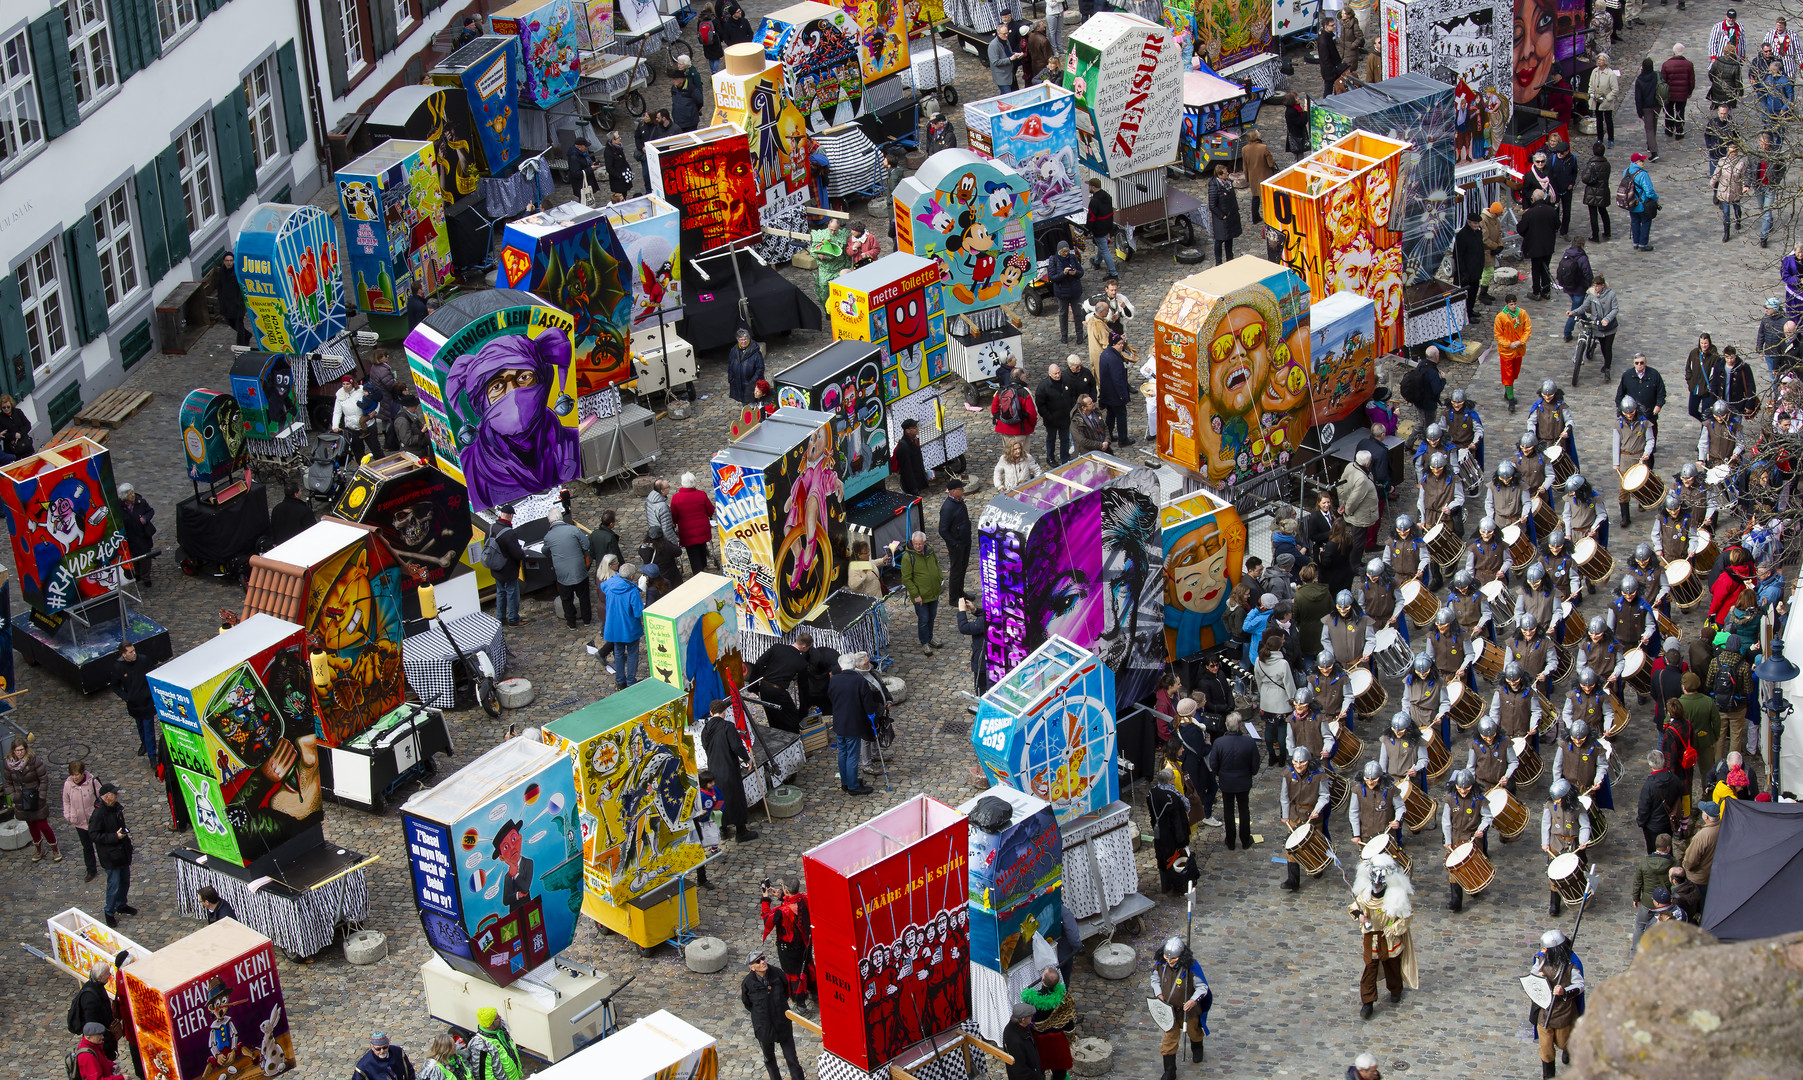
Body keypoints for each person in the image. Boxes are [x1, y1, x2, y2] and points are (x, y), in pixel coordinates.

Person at [1349, 853, 1416, 1020]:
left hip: (1388, 937)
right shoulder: (1365, 894)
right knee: (1370, 969)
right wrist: (1360, 916)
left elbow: (1406, 916)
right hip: (1371, 936)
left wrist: (1393, 929)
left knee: (1392, 964)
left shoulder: (1396, 896)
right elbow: (1354, 907)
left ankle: (1395, 989)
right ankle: (1368, 1002)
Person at [1150, 937, 1209, 1077]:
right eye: (1166, 957)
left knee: (1193, 1031)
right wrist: (1159, 994)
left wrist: (1193, 1000)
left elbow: (1202, 987)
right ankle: (1170, 1071)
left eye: (1174, 958)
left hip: (1188, 1011)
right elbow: (1155, 980)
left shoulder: (1191, 968)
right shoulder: (1160, 965)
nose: (1170, 961)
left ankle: (1197, 1046)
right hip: (1169, 1010)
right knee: (1170, 1038)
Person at [1529, 928, 1584, 1076]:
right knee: (1545, 1050)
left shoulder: (1571, 964)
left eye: (1546, 948)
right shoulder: (1540, 959)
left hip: (1562, 1012)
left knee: (1563, 1042)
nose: (1542, 950)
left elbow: (1579, 986)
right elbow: (1533, 974)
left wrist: (1564, 991)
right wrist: (1537, 977)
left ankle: (1568, 1049)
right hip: (1544, 1012)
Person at [701, 699, 756, 842]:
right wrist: (747, 759)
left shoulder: (705, 729)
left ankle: (723, 829)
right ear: (724, 711)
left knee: (719, 799)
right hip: (729, 768)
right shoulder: (727, 727)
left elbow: (706, 747)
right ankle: (741, 831)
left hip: (714, 769)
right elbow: (737, 747)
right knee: (735, 799)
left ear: (711, 713)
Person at [742, 953, 804, 1080]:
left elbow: (786, 992)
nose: (762, 962)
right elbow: (747, 1003)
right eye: (757, 961)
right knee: (769, 1059)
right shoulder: (748, 983)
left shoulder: (777, 973)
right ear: (752, 967)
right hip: (764, 1027)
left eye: (763, 958)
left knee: (792, 1059)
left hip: (782, 1024)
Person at [759, 878, 815, 1009]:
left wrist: (765, 899)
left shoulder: (781, 911)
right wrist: (781, 896)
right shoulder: (805, 899)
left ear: (786, 890)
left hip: (789, 950)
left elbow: (767, 919)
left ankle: (800, 1004)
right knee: (808, 966)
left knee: (794, 975)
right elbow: (796, 903)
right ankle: (815, 993)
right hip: (806, 943)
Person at [1206, 713, 1259, 850]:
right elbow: (1255, 764)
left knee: (1228, 811)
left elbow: (1214, 764)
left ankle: (1230, 841)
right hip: (1243, 781)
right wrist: (1250, 773)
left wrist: (1220, 774)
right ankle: (1245, 839)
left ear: (1226, 725)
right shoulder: (1249, 742)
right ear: (1240, 726)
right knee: (1244, 810)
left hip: (1227, 781)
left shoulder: (1219, 743)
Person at [829, 654, 879, 795]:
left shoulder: (834, 679)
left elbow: (831, 697)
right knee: (852, 755)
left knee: (843, 753)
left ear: (841, 666)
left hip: (839, 721)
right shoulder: (859, 681)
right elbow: (868, 705)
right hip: (853, 723)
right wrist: (872, 721)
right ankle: (853, 785)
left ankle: (845, 782)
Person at [5, 738, 59, 863]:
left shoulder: (34, 761)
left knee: (43, 826)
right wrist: (13, 796)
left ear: (25, 749)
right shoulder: (9, 765)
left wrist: (41, 796)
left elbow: (43, 779)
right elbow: (8, 783)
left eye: (22, 750)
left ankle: (54, 849)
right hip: (21, 801)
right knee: (32, 826)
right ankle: (39, 849)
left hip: (35, 798)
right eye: (17, 750)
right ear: (13, 751)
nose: (20, 752)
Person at [1147, 768, 1198, 894]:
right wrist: (1183, 840)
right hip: (1172, 835)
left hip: (1159, 831)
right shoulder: (1173, 798)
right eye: (1173, 778)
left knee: (1162, 858)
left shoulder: (1152, 793)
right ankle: (1177, 887)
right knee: (1174, 858)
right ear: (1170, 781)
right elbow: (1178, 821)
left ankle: (1165, 885)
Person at [90, 785, 133, 928]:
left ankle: (121, 905)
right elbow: (94, 835)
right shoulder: (98, 814)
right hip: (110, 856)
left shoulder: (116, 808)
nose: (117, 795)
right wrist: (115, 837)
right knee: (113, 885)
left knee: (125, 881)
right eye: (114, 793)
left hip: (122, 852)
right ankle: (109, 912)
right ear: (107, 796)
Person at [110, 642, 158, 762]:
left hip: (147, 703)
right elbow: (115, 686)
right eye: (130, 652)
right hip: (134, 704)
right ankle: (144, 744)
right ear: (124, 654)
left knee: (149, 730)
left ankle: (152, 756)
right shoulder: (118, 667)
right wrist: (126, 697)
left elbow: (154, 675)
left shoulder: (143, 660)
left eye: (134, 650)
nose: (134, 653)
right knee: (140, 726)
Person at [600, 562, 645, 688]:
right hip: (629, 628)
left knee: (618, 652)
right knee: (632, 654)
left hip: (614, 626)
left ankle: (620, 680)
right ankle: (631, 681)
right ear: (631, 577)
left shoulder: (610, 585)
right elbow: (637, 613)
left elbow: (603, 588)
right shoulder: (632, 591)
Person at [543, 516, 592, 629]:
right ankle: (587, 620)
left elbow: (544, 551)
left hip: (562, 574)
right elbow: (586, 545)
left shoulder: (549, 536)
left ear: (550, 521)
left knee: (566, 599)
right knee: (584, 596)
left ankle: (571, 622)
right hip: (579, 570)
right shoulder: (574, 530)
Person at [899, 531, 944, 654]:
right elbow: (906, 579)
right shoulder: (908, 557)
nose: (918, 546)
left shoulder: (930, 551)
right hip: (921, 597)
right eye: (915, 544)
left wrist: (939, 578)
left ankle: (930, 637)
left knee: (932, 617)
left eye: (920, 544)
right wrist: (916, 595)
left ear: (925, 542)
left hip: (933, 593)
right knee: (924, 619)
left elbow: (936, 565)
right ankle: (925, 642)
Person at [1491, 294, 1533, 410]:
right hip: (1506, 352)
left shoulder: (1522, 314)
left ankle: (1507, 390)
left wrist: (1520, 342)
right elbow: (1498, 335)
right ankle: (1511, 399)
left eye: (1515, 304)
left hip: (1519, 350)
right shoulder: (1500, 317)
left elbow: (1527, 329)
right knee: (1508, 374)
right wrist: (1509, 344)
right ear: (1506, 304)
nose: (1514, 306)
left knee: (1515, 373)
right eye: (1511, 304)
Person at [1518, 191, 1561, 300]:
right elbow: (1557, 225)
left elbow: (1521, 229)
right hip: (1548, 245)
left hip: (1534, 245)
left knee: (1536, 269)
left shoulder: (1529, 213)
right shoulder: (1551, 211)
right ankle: (1546, 290)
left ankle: (1536, 291)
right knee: (1545, 267)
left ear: (1534, 199)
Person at [62, 760, 101, 882]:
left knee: (100, 843)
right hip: (79, 821)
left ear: (82, 773)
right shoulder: (68, 785)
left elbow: (102, 797)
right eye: (73, 775)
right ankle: (91, 870)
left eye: (77, 775)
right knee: (87, 847)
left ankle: (107, 864)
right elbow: (66, 800)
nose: (75, 777)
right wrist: (68, 815)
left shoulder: (92, 782)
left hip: (93, 820)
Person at [1576, 276, 1620, 375]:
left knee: (1608, 348)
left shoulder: (1611, 294)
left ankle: (1607, 367)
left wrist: (1607, 319)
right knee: (1603, 347)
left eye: (1597, 286)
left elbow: (1615, 309)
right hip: (1597, 326)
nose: (1595, 288)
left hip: (1609, 327)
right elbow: (1584, 307)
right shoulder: (1592, 295)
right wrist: (1573, 312)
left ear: (1603, 286)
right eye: (1594, 286)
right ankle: (1606, 364)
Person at [1046, 240, 1085, 344]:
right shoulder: (1053, 260)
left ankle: (1079, 336)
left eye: (1067, 251)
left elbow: (1081, 272)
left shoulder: (1073, 258)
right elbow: (1052, 277)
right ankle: (1064, 336)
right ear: (1059, 251)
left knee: (1078, 314)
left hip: (1075, 291)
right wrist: (1063, 274)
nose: (1066, 253)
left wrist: (1075, 272)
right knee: (1063, 314)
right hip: (1062, 292)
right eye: (1064, 252)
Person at [939, 478, 972, 603]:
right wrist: (954, 543)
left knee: (963, 568)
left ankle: (960, 592)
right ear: (952, 491)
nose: (963, 490)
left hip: (965, 541)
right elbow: (942, 530)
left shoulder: (959, 502)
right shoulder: (948, 507)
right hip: (957, 544)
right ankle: (953, 598)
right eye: (960, 489)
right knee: (956, 570)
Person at [1556, 236, 1593, 341]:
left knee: (1578, 306)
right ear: (1582, 245)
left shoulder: (1567, 254)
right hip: (1579, 288)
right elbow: (1587, 273)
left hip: (1568, 286)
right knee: (1574, 311)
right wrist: (1590, 285)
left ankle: (1585, 320)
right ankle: (1567, 332)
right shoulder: (1582, 257)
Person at [1098, 331, 1132, 446]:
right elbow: (1117, 379)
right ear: (1113, 344)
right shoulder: (1114, 358)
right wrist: (1122, 395)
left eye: (1122, 343)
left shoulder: (1105, 354)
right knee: (1121, 415)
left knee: (1111, 415)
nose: (1121, 346)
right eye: (1119, 344)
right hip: (1115, 394)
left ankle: (1109, 435)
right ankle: (1123, 439)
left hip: (1108, 393)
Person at [991, 369, 1040, 447]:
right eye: (1025, 377)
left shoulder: (1001, 390)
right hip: (1021, 429)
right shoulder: (1024, 392)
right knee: (1022, 456)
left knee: (1008, 455)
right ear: (1021, 378)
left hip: (1004, 429)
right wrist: (1032, 425)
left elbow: (994, 409)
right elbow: (1032, 413)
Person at [470, 1008, 522, 1080]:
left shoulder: (501, 1033)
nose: (500, 1018)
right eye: (497, 1018)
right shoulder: (480, 1045)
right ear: (490, 1023)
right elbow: (484, 1076)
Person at [1453, 213, 1487, 320]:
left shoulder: (1478, 233)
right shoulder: (1462, 235)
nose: (1477, 225)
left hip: (1475, 269)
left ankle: (1470, 311)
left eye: (1478, 223)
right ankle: (1465, 314)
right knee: (1465, 295)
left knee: (1473, 293)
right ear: (1469, 222)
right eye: (1475, 223)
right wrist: (1463, 271)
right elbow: (1458, 256)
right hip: (1466, 272)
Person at [1207, 162, 1241, 266]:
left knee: (1229, 239)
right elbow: (1212, 205)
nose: (1228, 174)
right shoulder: (1214, 187)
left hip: (1230, 216)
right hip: (1221, 219)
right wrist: (1222, 216)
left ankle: (1230, 259)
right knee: (1219, 240)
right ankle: (1219, 262)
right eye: (1226, 173)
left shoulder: (1228, 183)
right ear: (1220, 175)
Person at [1623, 152, 1659, 250]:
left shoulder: (1626, 171)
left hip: (1631, 203)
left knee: (1634, 222)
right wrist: (1656, 199)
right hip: (1642, 204)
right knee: (1646, 222)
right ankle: (1643, 244)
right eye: (1641, 161)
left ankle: (1635, 242)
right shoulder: (1643, 174)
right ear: (1636, 162)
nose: (1643, 162)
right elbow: (1649, 191)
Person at [1241, 128, 1278, 223]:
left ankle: (1255, 217)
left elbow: (1245, 165)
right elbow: (1271, 163)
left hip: (1253, 177)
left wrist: (1247, 177)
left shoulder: (1244, 149)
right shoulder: (1263, 147)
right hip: (1265, 175)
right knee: (1268, 198)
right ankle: (1270, 217)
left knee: (1255, 197)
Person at [1715, 140, 1749, 241]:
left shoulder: (1741, 163)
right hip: (1724, 189)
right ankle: (1727, 232)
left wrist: (1744, 186)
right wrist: (1712, 183)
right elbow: (1717, 173)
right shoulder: (1722, 161)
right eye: (1730, 152)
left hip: (1735, 190)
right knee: (1726, 212)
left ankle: (1738, 220)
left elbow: (1744, 176)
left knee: (1737, 208)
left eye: (1734, 152)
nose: (1732, 154)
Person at [1663, 43, 1696, 138]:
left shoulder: (1666, 64)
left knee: (1669, 112)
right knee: (1680, 112)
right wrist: (1689, 92)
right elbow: (1691, 81)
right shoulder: (1689, 65)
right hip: (1682, 93)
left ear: (1673, 52)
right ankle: (1679, 131)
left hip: (1670, 94)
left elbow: (1663, 81)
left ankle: (1669, 129)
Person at [1003, 1002, 1043, 1080]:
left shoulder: (1020, 1028)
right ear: (1023, 1020)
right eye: (1030, 1016)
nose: (1032, 1017)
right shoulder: (1015, 1040)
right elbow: (1020, 1070)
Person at [216, 252, 249, 346]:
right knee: (231, 323)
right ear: (224, 261)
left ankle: (241, 347)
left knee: (240, 327)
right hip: (226, 304)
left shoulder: (237, 272)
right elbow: (220, 285)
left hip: (237, 304)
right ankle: (247, 335)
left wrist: (239, 302)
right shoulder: (222, 271)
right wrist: (220, 298)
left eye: (231, 261)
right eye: (227, 261)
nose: (229, 263)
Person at [1086, 178, 1117, 275]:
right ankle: (1097, 261)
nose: (1088, 187)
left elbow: (1091, 218)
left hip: (1099, 229)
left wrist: (1087, 231)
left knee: (1104, 250)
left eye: (1089, 186)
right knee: (1102, 245)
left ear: (1093, 187)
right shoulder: (1107, 196)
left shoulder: (1094, 202)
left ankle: (1113, 272)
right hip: (1107, 226)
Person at [1547, 139, 1578, 236]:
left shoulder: (1572, 159)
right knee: (1555, 210)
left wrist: (1572, 183)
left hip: (1567, 190)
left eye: (1562, 153)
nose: (1559, 154)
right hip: (1555, 190)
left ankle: (1564, 231)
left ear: (1567, 152)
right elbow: (1548, 174)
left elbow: (1574, 172)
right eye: (1558, 152)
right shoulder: (1552, 159)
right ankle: (1555, 227)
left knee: (1567, 212)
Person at [1633, 57, 1662, 159]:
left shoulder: (1640, 80)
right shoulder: (1656, 76)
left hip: (1646, 107)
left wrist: (1639, 112)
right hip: (1657, 105)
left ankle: (1653, 151)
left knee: (1649, 128)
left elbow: (1638, 98)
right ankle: (1650, 144)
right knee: (1654, 125)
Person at [726, 329, 764, 405]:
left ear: (749, 339)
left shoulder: (756, 353)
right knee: (744, 404)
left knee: (753, 405)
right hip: (739, 383)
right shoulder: (734, 351)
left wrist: (752, 382)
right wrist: (731, 378)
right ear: (738, 340)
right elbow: (730, 365)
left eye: (745, 339)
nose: (743, 341)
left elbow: (760, 369)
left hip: (752, 384)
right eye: (741, 339)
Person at [895, 418, 929, 496]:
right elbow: (907, 470)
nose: (917, 429)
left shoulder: (915, 440)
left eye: (916, 426)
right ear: (907, 431)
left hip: (917, 479)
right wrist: (913, 488)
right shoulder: (903, 447)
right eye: (914, 428)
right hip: (910, 486)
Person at [1314, 15, 1347, 94]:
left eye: (1334, 24)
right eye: (1332, 25)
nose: (1334, 26)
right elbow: (1325, 59)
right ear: (1326, 27)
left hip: (1333, 70)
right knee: (1328, 90)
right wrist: (1334, 70)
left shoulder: (1327, 36)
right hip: (1329, 72)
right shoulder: (1324, 41)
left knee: (1336, 87)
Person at [988, 25, 1022, 93]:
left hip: (1010, 74)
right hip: (1002, 77)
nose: (1006, 35)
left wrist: (1016, 54)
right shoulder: (993, 45)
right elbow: (995, 62)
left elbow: (1009, 53)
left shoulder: (1006, 41)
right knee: (1007, 96)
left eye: (1007, 33)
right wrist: (1010, 59)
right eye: (1004, 34)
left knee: (1012, 94)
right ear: (998, 34)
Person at [566, 137, 600, 203]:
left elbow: (584, 163)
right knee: (583, 201)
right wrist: (590, 169)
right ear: (579, 146)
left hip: (586, 182)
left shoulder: (581, 153)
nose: (586, 148)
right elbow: (576, 173)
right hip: (581, 185)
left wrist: (591, 165)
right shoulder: (574, 158)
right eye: (585, 146)